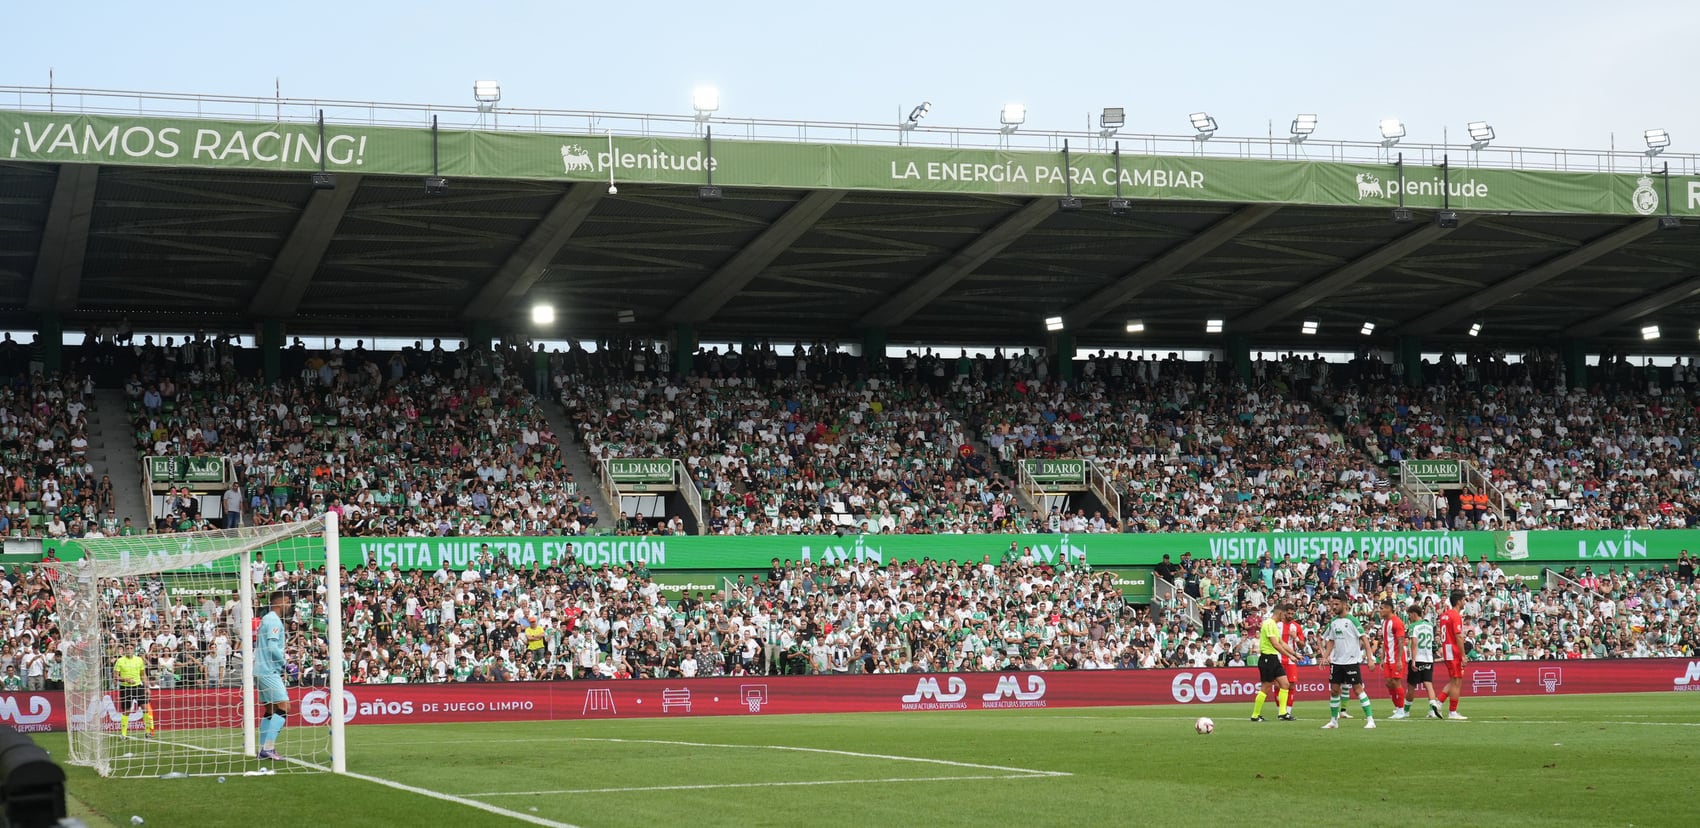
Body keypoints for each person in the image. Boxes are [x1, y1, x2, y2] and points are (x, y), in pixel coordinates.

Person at [1317, 593, 1376, 730]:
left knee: (1357, 689)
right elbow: (1331, 640)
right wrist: (1325, 656)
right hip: (1337, 663)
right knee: (1334, 690)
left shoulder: (1352, 620)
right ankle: (1333, 721)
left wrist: (1370, 658)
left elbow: (1365, 640)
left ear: (1344, 604)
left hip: (1351, 662)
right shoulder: (1333, 622)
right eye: (1332, 605)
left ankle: (1370, 720)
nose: (1334, 607)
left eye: (1336, 605)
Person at [256, 591, 292, 760]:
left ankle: (263, 749)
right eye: (289, 602)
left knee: (270, 709)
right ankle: (268, 748)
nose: (289, 606)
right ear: (283, 602)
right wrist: (287, 664)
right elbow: (272, 647)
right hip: (269, 670)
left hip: (260, 669)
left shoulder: (267, 619)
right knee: (284, 707)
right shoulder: (273, 620)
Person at [1251, 602, 1299, 722]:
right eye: (1284, 615)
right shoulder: (1269, 624)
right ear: (1280, 613)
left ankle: (1282, 713)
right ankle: (1255, 715)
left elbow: (1282, 643)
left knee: (1285, 684)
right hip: (1267, 658)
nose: (1285, 618)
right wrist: (1289, 656)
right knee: (1266, 687)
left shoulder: (1274, 624)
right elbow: (1275, 644)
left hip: (1273, 659)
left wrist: (1294, 654)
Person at [1403, 603, 1444, 719]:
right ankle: (1432, 708)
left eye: (1409, 615)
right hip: (1428, 658)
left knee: (1411, 686)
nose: (1409, 618)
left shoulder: (1413, 627)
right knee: (1428, 684)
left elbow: (1414, 644)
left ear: (1414, 614)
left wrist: (1413, 661)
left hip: (1417, 658)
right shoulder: (1429, 625)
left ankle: (1405, 711)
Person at [1435, 588, 1469, 720]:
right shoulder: (1455, 616)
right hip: (1454, 650)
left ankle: (1438, 703)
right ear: (1459, 601)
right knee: (1457, 681)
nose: (1465, 602)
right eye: (1464, 599)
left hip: (1447, 649)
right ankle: (1452, 711)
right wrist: (1463, 655)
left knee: (1454, 679)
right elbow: (1459, 636)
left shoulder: (1444, 615)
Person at [1375, 599, 1409, 719]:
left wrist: (1399, 659)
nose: (1381, 610)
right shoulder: (1384, 622)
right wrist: (1383, 657)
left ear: (1389, 609)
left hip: (1396, 657)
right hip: (1388, 658)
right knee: (1388, 683)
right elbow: (1385, 641)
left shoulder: (1397, 622)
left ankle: (1401, 710)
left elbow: (1401, 641)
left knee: (1396, 682)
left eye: (1383, 608)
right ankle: (1397, 707)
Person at [113, 645, 155, 737]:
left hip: (138, 686)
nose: (129, 650)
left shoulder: (139, 660)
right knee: (127, 711)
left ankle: (147, 732)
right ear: (124, 650)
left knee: (145, 708)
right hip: (125, 688)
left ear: (134, 650)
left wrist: (147, 687)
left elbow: (143, 675)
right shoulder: (120, 661)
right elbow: (116, 677)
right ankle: (123, 734)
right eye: (127, 648)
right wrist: (126, 680)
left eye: (131, 648)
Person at [1279, 604, 1307, 719]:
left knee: (1291, 685)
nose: (1290, 615)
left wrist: (1295, 637)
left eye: (1292, 613)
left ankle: (1287, 712)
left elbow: (1302, 645)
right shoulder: (1277, 625)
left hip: (1291, 659)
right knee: (1278, 686)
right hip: (1278, 657)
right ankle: (1280, 712)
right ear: (1284, 612)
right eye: (1288, 613)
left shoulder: (1296, 627)